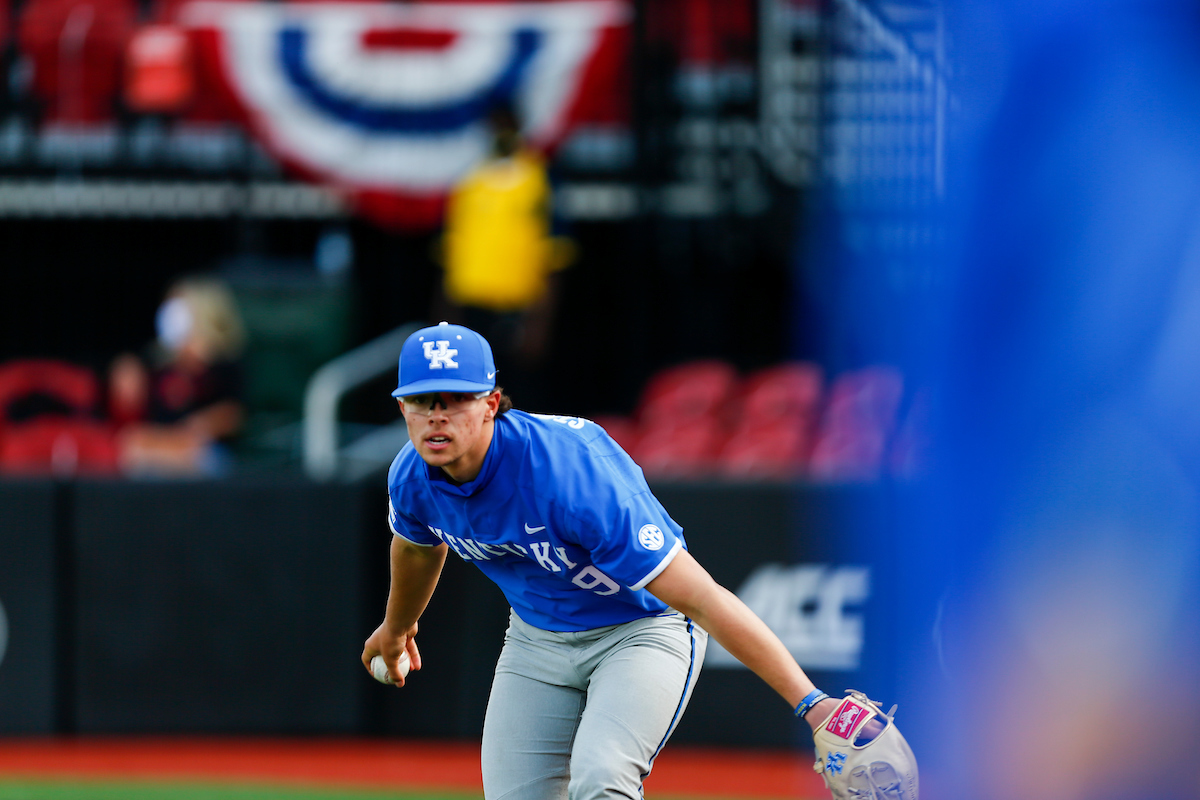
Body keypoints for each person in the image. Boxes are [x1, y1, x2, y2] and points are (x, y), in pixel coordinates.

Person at [361, 321, 842, 799]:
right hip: (536, 641)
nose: (437, 416)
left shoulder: (569, 473)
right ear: (403, 408)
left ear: (491, 404)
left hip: (639, 631)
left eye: (456, 399)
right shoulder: (411, 478)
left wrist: (812, 704)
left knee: (602, 779)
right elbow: (417, 548)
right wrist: (396, 627)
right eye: (423, 401)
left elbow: (703, 599)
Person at [433, 103, 574, 411]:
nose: (498, 133)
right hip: (472, 308)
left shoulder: (539, 177)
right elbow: (452, 251)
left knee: (518, 400)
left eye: (504, 125)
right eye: (492, 126)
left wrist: (540, 321)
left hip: (518, 307)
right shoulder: (469, 180)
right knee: (469, 401)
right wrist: (447, 320)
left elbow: (555, 254)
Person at [108, 276, 245, 476]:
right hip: (158, 446)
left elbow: (231, 416)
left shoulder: (224, 362)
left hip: (204, 451)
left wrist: (193, 431)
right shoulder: (154, 363)